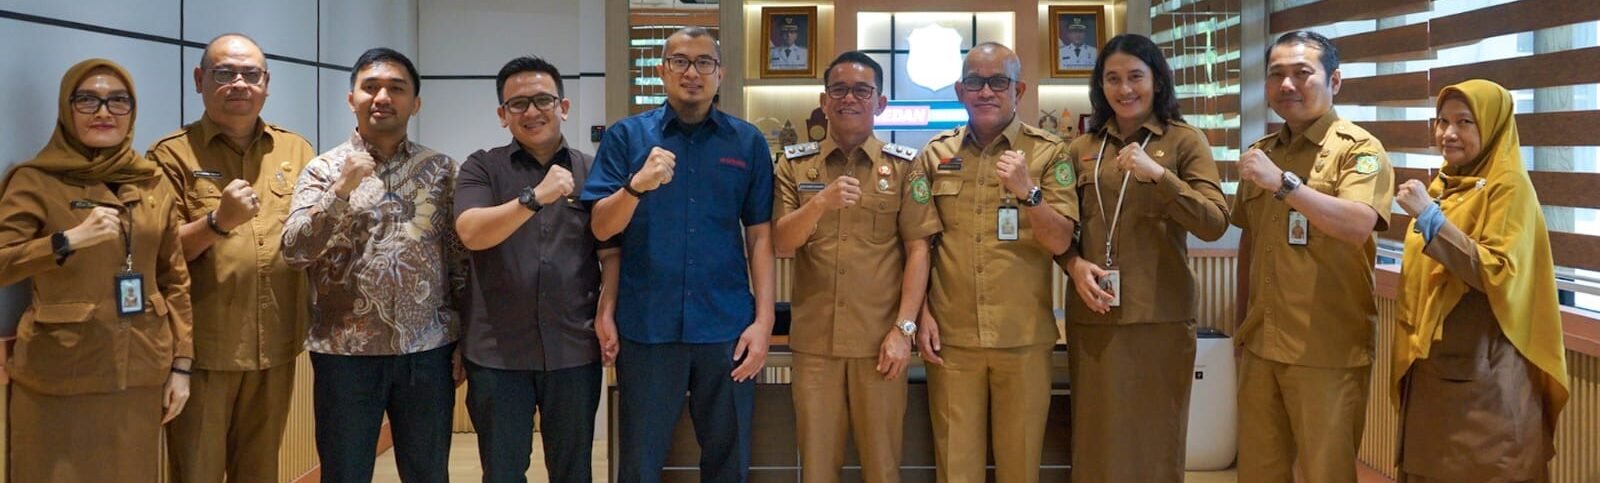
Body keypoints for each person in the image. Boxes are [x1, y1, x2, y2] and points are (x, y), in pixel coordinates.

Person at [581, 27, 777, 483]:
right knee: (639, 463)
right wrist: (636, 186)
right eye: (681, 61)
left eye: (704, 62)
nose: (693, 72)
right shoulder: (626, 137)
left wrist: (764, 322)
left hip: (726, 329)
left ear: (720, 73)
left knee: (729, 463)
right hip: (647, 327)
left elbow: (760, 237)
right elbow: (602, 227)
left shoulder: (746, 142)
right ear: (662, 71)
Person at [0, 58, 194, 482]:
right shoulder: (34, 179)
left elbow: (175, 279)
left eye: (118, 101)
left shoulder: (152, 181)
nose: (104, 112)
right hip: (60, 371)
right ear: (66, 108)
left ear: (132, 112)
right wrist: (64, 242)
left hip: (141, 367)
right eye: (87, 100)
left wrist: (182, 365)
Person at [281, 47, 467, 483]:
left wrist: (465, 337)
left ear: (415, 103)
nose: (382, 97)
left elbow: (460, 263)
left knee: (428, 474)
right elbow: (293, 250)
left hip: (427, 351)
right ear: (352, 99)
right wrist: (341, 190)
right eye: (371, 87)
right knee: (345, 473)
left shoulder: (441, 171)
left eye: (396, 88)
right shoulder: (323, 170)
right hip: (344, 354)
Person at [1056, 33, 1229, 483]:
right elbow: (1061, 230)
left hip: (1161, 317)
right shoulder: (1081, 148)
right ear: (1100, 86)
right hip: (1095, 315)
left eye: (1136, 76)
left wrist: (1160, 176)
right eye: (1112, 78)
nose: (1125, 88)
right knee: (1096, 443)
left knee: (1156, 439)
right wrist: (1072, 264)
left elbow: (1214, 222)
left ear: (1157, 81)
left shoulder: (1185, 141)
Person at [147, 33, 315, 483]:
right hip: (203, 352)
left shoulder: (296, 151)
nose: (239, 83)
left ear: (266, 84)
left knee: (260, 472)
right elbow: (157, 255)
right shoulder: (170, 155)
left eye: (250, 74)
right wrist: (218, 221)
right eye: (224, 73)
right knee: (196, 473)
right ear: (199, 79)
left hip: (276, 345)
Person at [1232, 31, 1395, 483]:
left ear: (1334, 80)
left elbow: (1358, 224)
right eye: (1276, 74)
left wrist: (1285, 185)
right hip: (1262, 342)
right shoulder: (1261, 154)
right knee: (1258, 472)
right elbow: (1249, 240)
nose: (1287, 84)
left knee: (1327, 473)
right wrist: (1240, 325)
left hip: (1328, 349)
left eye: (1302, 73)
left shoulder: (1359, 150)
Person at [913, 42, 1078, 483]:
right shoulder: (935, 155)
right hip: (951, 338)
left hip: (1022, 336)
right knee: (956, 469)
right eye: (975, 82)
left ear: (1018, 90)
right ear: (959, 91)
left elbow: (1061, 240)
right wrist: (920, 313)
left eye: (998, 82)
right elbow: (917, 246)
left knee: (1019, 466)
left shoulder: (1048, 153)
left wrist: (1029, 192)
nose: (985, 91)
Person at [773, 51, 940, 483]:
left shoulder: (904, 166)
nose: (849, 98)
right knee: (816, 469)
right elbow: (782, 243)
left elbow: (918, 250)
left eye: (862, 91)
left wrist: (904, 330)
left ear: (880, 103)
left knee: (883, 467)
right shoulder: (795, 164)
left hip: (880, 343)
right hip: (815, 345)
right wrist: (819, 203)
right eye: (839, 89)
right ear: (824, 101)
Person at [1392, 79, 1570, 483]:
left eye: (1464, 122)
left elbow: (1497, 271)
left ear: (1491, 127)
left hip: (1485, 375)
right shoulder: (1447, 183)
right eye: (1442, 121)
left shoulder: (1509, 187)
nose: (1448, 133)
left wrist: (1430, 218)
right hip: (1435, 368)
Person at [453, 55, 618, 483]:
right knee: (503, 472)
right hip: (496, 352)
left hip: (573, 346)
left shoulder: (592, 169)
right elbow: (471, 232)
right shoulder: (482, 167)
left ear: (563, 107)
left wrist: (606, 312)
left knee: (573, 471)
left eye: (543, 100)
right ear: (502, 114)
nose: (532, 111)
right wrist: (535, 197)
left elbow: (610, 253)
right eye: (518, 104)